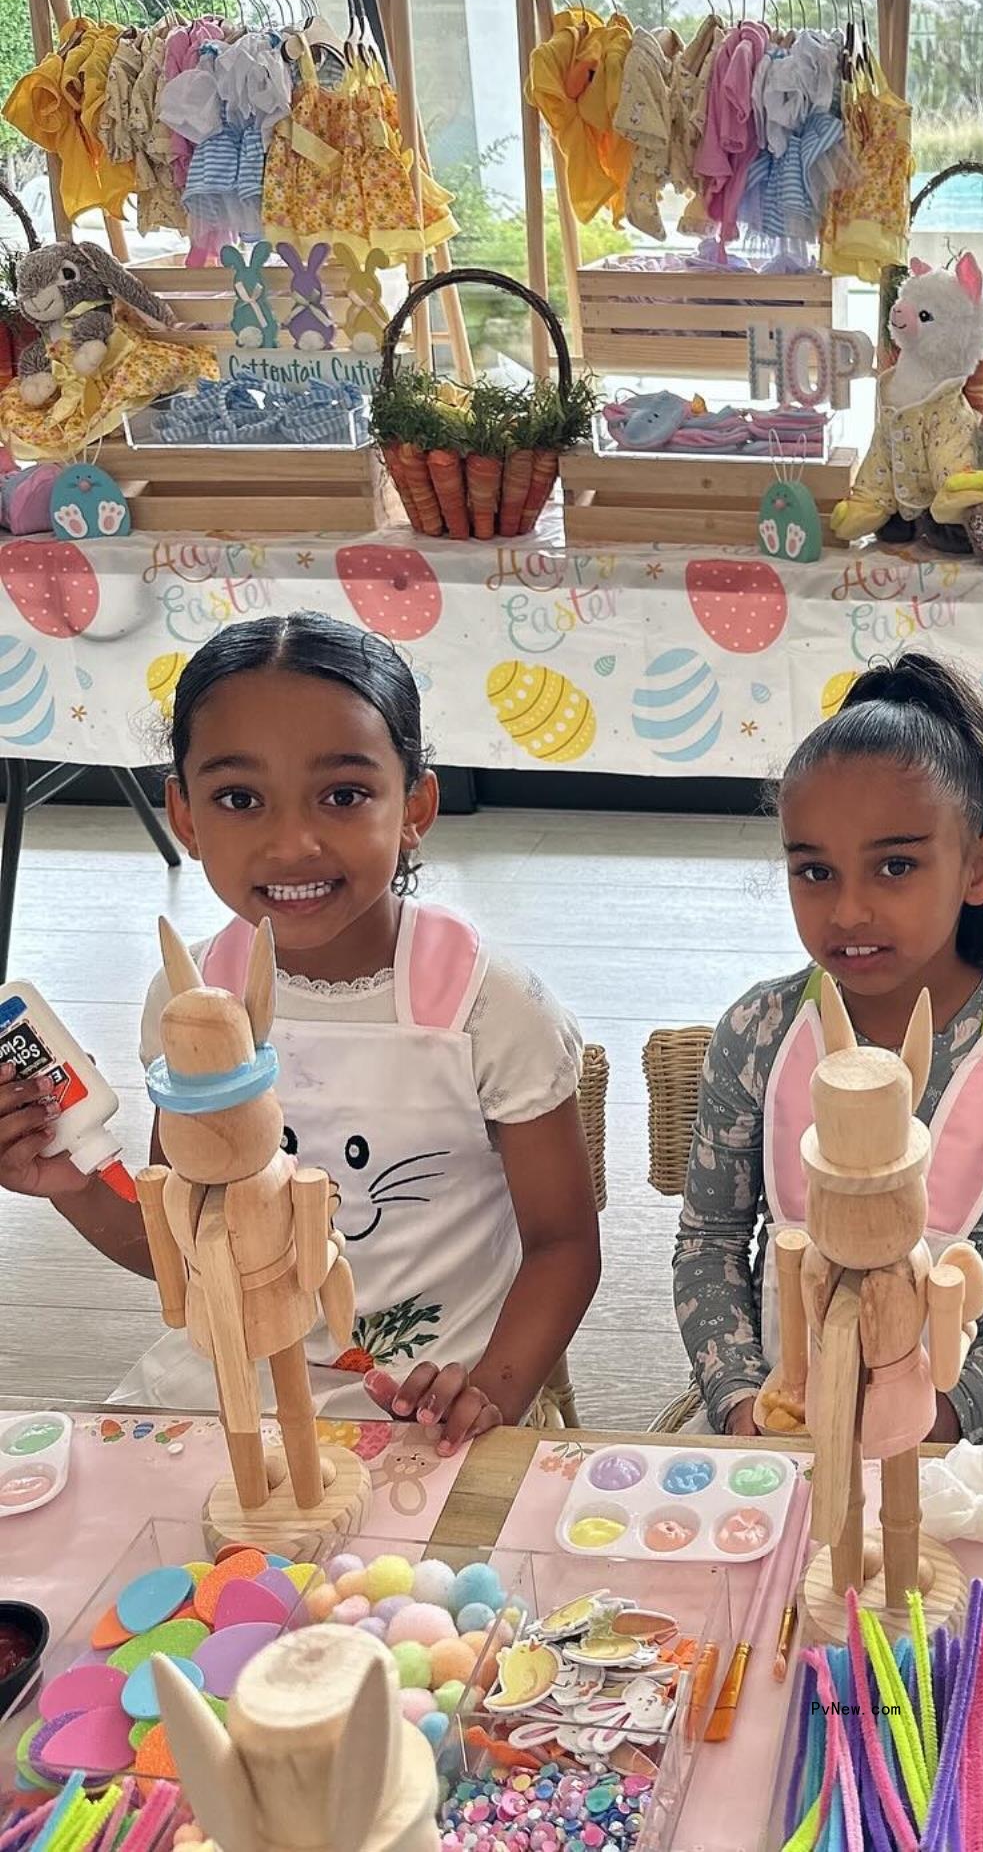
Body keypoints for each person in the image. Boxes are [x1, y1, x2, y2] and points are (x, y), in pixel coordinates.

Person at [0, 614, 599, 1451]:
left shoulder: (488, 1007)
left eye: (344, 794)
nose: (292, 843)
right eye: (239, 798)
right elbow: (190, 1248)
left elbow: (564, 1243)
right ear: (183, 812)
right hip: (223, 1395)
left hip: (419, 1407)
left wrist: (491, 1391)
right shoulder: (193, 1002)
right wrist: (70, 1180)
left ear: (415, 803)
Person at [675, 650, 983, 1443]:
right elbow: (709, 1240)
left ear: (979, 867)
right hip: (778, 1443)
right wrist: (745, 1401)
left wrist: (952, 1408)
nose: (847, 910)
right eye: (814, 871)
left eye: (895, 865)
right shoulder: (754, 1037)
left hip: (958, 1457)